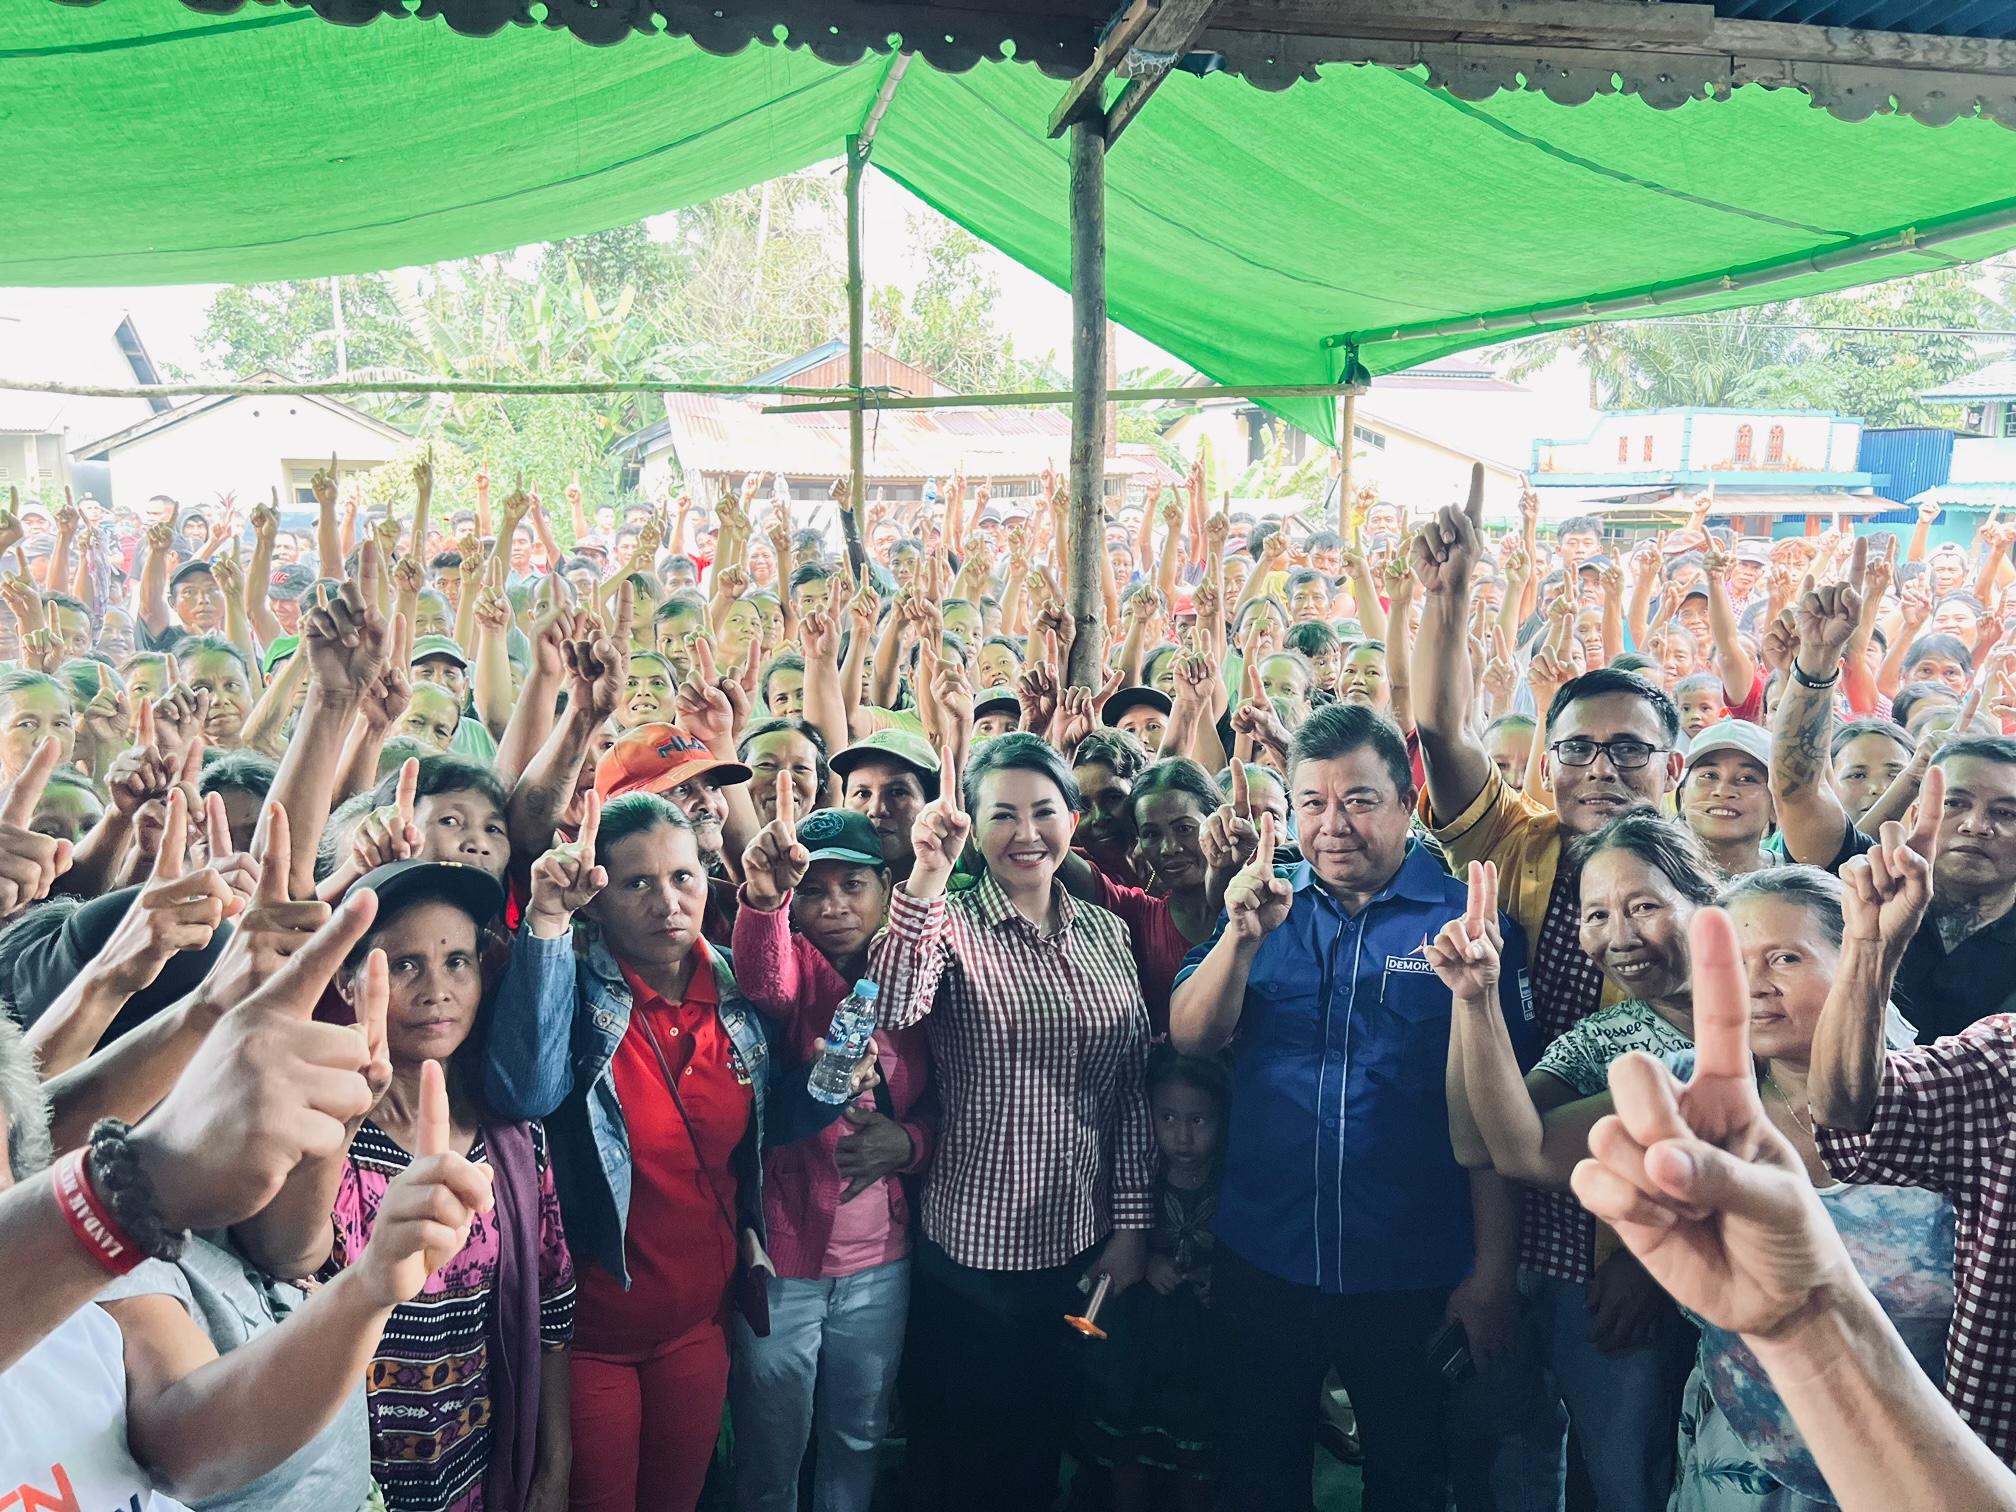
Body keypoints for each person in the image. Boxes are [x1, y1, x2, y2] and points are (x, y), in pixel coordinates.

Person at [1169, 701, 1534, 1512]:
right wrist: (1239, 939)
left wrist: (1491, 1275)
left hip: (1412, 1266)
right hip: (1266, 1253)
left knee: (1410, 1476)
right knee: (1259, 1472)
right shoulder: (1263, 904)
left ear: (1406, 803)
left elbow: (1498, 1118)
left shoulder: (1467, 924)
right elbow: (1193, 1037)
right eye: (1312, 802)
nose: (1333, 825)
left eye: (1359, 800)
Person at [483, 794, 866, 1512]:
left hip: (699, 1322)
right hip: (591, 1332)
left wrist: (831, 1082)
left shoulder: (735, 992)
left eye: (683, 877)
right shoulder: (567, 986)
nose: (667, 903)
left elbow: (767, 1125)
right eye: (637, 883)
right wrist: (547, 922)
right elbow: (524, 1092)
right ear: (598, 900)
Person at [1573, 905, 2016, 1512]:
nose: (1756, 984)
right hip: (1749, 1459)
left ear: (1855, 964)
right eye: (1735, 964)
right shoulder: (1988, 1072)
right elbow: (1512, 1146)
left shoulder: (1940, 1106)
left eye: (1785, 958)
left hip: (1929, 1457)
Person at [230, 859, 577, 1512]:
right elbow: (286, 1257)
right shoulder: (311, 1124)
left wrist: (554, 1464)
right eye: (405, 965)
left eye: (457, 962)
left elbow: (553, 1306)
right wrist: (346, 1119)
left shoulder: (512, 1137)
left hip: (475, 1468)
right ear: (347, 980)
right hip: (348, 1481)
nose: (437, 990)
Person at [869, 733, 1153, 1512]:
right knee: (961, 1451)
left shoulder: (1106, 931)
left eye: (1044, 811)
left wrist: (1131, 1226)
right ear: (972, 826)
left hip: (1081, 1244)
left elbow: (1129, 1091)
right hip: (974, 1252)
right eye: (1002, 814)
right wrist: (929, 872)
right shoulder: (949, 923)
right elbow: (892, 1005)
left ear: (1073, 818)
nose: (1026, 833)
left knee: (1045, 1435)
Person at [1444, 811, 1712, 1510]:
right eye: (1596, 915)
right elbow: (1485, 1144)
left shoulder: (1774, 1007)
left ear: (1704, 899)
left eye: (1643, 906)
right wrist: (1474, 1000)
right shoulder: (1606, 1037)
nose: (1619, 936)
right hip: (1709, 1341)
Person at [728, 793, 934, 1512]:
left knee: (860, 1434)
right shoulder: (795, 967)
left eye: (853, 885)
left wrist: (909, 1143)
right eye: (813, 891)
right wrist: (764, 903)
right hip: (785, 1260)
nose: (835, 906)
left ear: (887, 887)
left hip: (883, 1261)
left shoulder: (913, 983)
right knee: (771, 1445)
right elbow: (765, 978)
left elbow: (952, 1101)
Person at [1770, 554, 2016, 1039]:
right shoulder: (1870, 879)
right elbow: (1798, 793)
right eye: (1955, 803)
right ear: (1917, 809)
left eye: (2005, 812)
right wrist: (1815, 664)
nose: (1976, 825)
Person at [1075, 1045, 1228, 1512]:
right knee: (1129, 1447)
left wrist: (1221, 1277)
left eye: (1198, 1120)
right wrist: (1148, 1261)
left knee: (1196, 1452)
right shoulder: (1138, 1174)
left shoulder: (1232, 1177)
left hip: (1202, 1342)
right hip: (1137, 1337)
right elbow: (1104, 1247)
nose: (1182, 1137)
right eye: (1167, 1118)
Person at [1678, 718, 1777, 876]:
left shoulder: (1795, 879)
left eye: (1746, 778)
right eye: (1709, 775)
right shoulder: (1653, 873)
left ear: (1775, 807)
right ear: (1683, 796)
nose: (1723, 791)